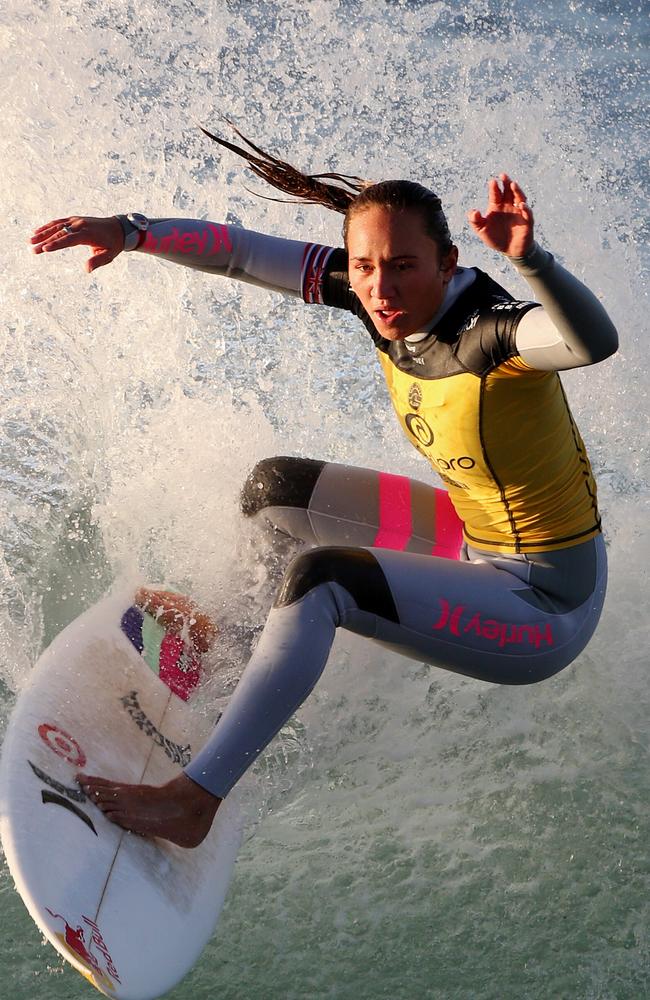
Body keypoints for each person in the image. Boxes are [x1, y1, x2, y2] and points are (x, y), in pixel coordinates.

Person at [30, 127, 618, 847]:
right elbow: (241, 253)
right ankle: (235, 648)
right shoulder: (375, 295)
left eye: (403, 267)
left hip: (543, 601)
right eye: (366, 266)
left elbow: (592, 343)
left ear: (448, 263)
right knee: (275, 489)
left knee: (323, 579)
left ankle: (194, 801)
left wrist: (532, 260)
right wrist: (130, 231)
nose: (381, 288)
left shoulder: (491, 334)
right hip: (470, 533)